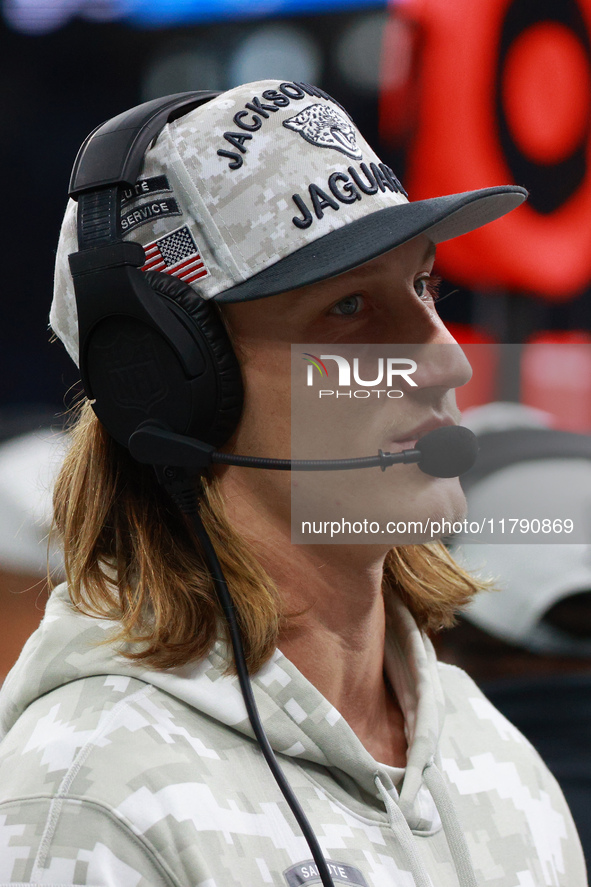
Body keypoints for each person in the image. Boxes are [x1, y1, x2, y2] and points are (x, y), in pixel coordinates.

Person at [0, 81, 585, 887]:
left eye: (421, 285)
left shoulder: (491, 757)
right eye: (347, 306)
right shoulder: (94, 794)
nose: (447, 361)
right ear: (169, 384)